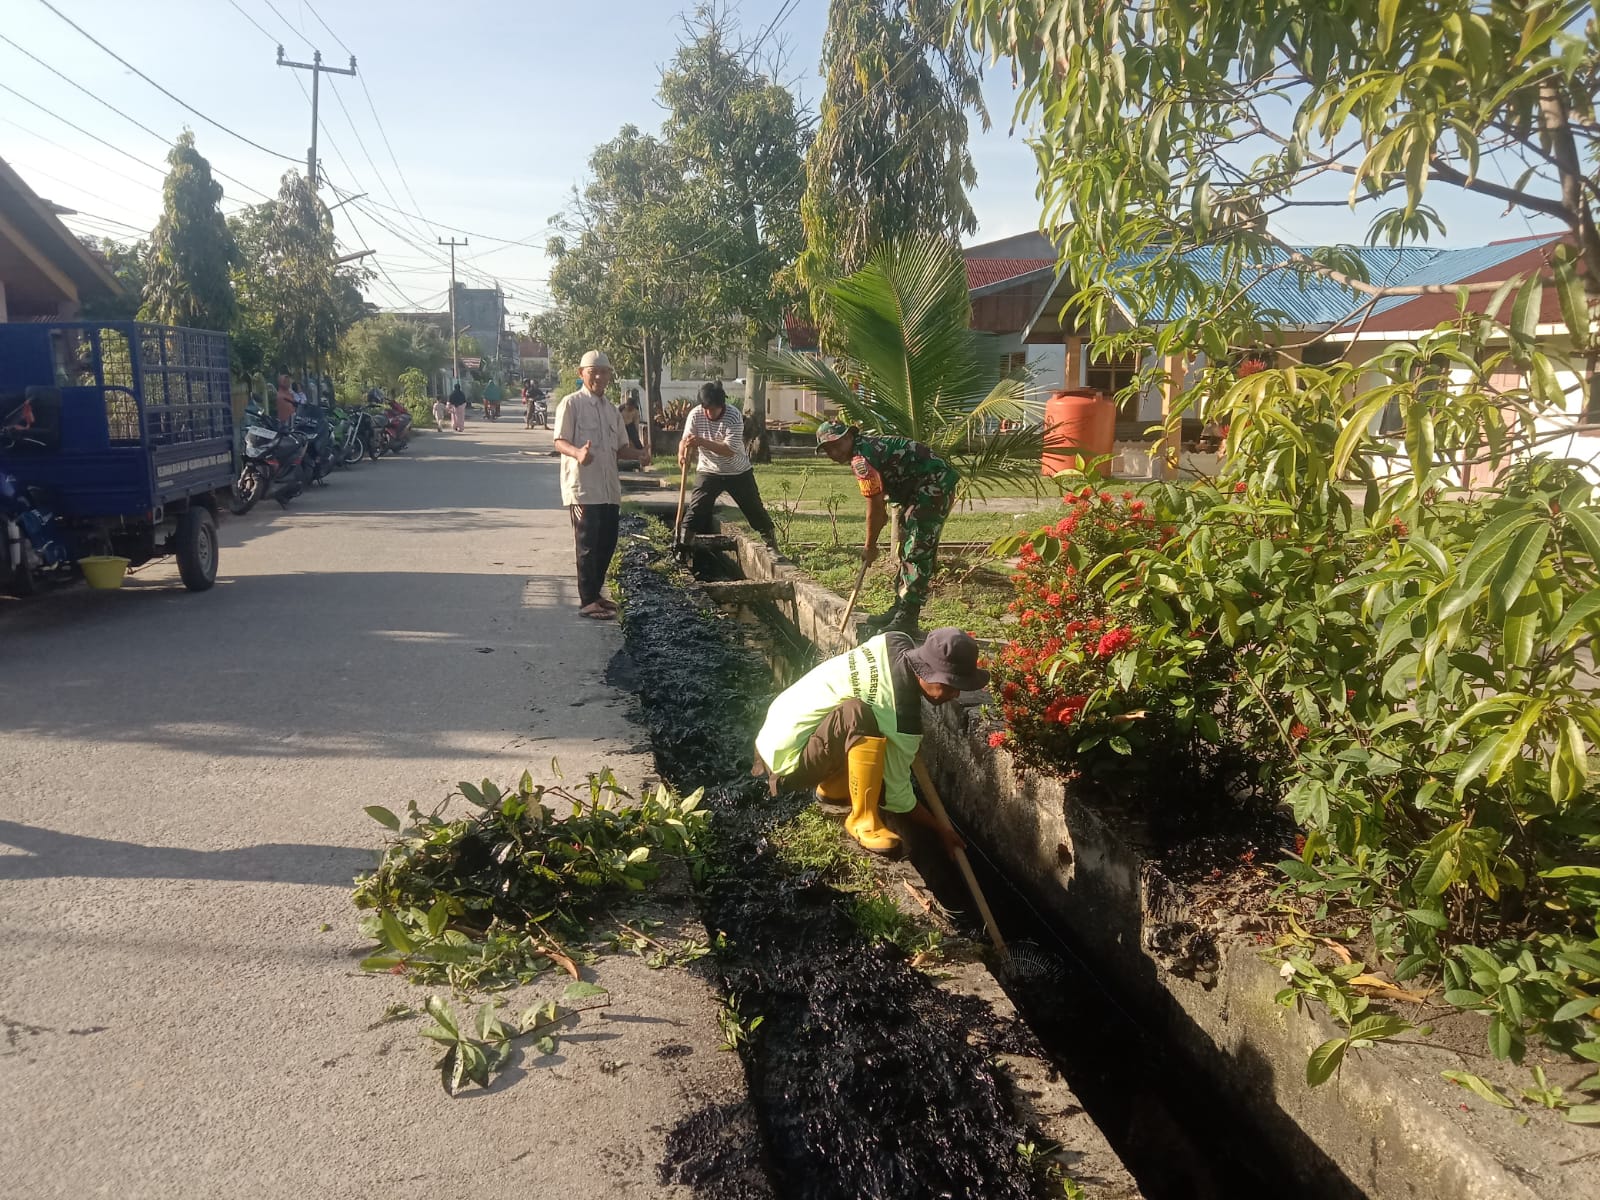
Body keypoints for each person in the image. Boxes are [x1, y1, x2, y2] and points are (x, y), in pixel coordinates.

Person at [752, 627, 986, 854]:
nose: (955, 695)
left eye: (960, 687)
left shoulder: (893, 642)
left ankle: (833, 788)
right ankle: (863, 821)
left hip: (774, 736)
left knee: (868, 728)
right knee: (857, 715)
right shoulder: (901, 717)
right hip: (787, 765)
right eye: (949, 685)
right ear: (927, 671)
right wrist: (940, 828)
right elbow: (897, 797)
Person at [814, 420, 959, 636]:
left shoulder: (861, 460)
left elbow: (875, 509)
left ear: (849, 437)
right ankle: (898, 608)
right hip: (917, 491)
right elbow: (880, 511)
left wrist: (869, 546)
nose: (833, 452)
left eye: (836, 444)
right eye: (827, 449)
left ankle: (908, 618)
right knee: (906, 547)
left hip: (934, 485)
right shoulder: (863, 450)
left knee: (917, 548)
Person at [552, 350, 652, 619]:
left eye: (604, 371)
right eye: (593, 371)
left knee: (607, 543)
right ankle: (587, 601)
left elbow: (620, 448)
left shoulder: (612, 411)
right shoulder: (571, 404)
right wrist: (578, 453)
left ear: (610, 375)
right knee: (587, 544)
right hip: (583, 488)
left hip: (609, 489)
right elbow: (559, 441)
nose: (599, 376)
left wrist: (640, 454)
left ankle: (596, 595)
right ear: (581, 373)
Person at [678, 382, 780, 555]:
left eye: (714, 409)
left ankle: (771, 543)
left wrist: (701, 441)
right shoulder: (695, 415)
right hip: (709, 470)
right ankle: (683, 547)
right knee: (696, 509)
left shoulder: (733, 416)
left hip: (737, 471)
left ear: (721, 405)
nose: (710, 412)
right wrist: (681, 454)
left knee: (753, 508)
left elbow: (728, 450)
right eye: (706, 408)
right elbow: (685, 440)